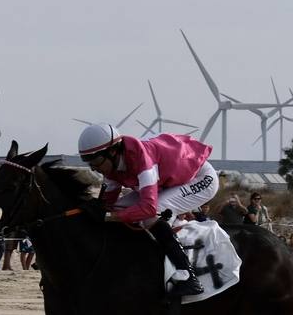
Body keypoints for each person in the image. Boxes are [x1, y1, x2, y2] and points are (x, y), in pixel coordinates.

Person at [78, 123, 219, 295]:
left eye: (95, 161)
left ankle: (188, 275)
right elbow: (108, 204)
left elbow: (148, 208)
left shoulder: (142, 160)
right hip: (168, 181)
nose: (93, 168)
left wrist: (108, 216)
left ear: (112, 152)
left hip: (200, 178)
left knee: (150, 214)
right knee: (118, 208)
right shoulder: (111, 166)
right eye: (88, 162)